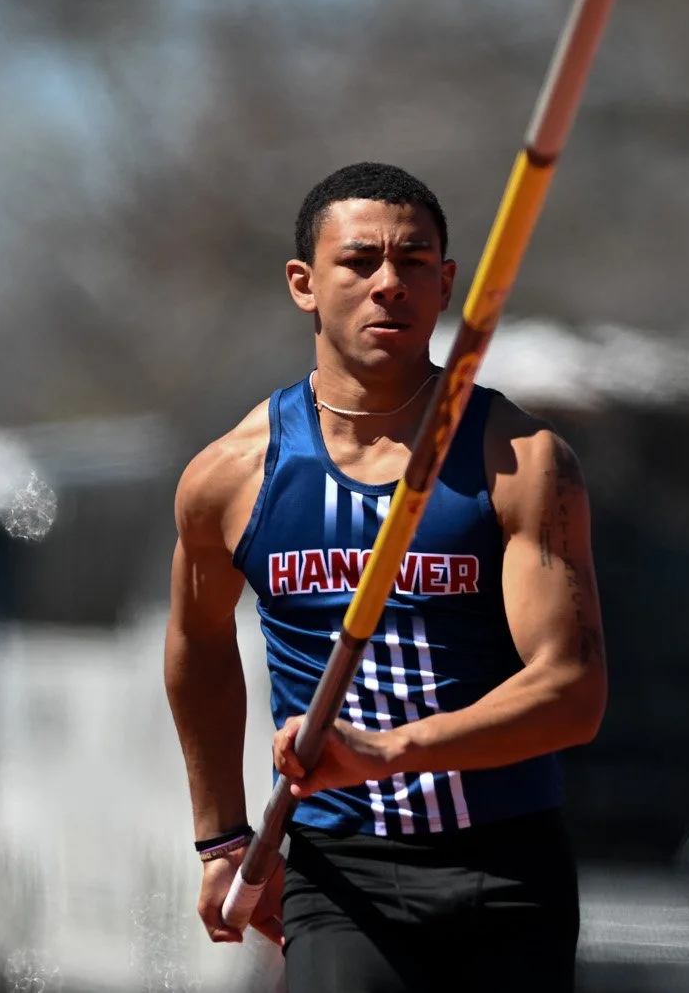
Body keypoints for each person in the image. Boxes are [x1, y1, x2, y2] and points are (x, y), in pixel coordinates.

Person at [164, 162, 607, 993]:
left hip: (506, 864)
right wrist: (222, 839)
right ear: (303, 282)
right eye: (359, 261)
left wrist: (389, 751)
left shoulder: (517, 461)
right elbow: (198, 647)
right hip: (343, 869)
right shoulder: (233, 477)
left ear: (446, 284)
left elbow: (573, 691)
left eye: (412, 263)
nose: (387, 284)